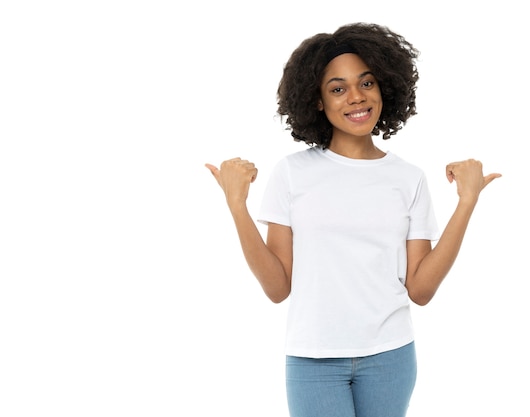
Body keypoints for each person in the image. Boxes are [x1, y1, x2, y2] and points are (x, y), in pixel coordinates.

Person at [206, 22, 501, 417]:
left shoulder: (408, 178)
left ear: (384, 89)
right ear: (317, 100)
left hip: (391, 357)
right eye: (338, 88)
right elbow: (277, 288)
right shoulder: (292, 173)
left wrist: (467, 202)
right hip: (314, 359)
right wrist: (236, 205)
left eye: (367, 83)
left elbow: (421, 290)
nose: (356, 98)